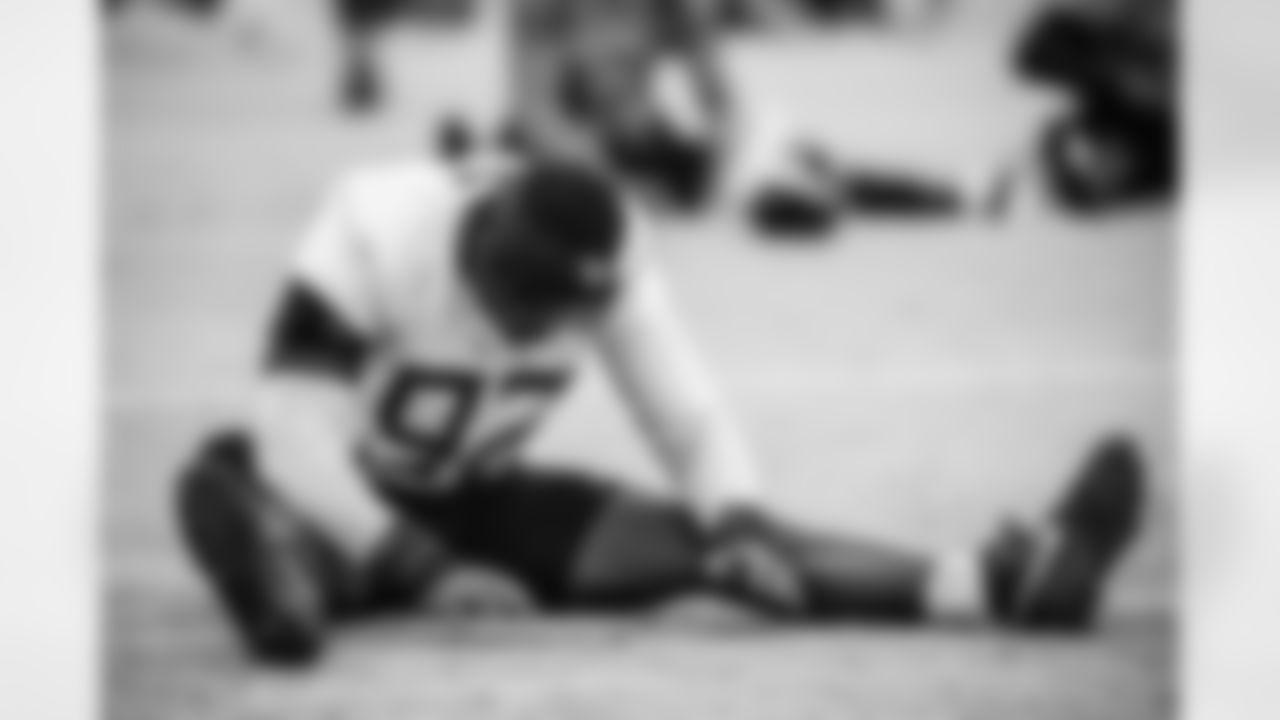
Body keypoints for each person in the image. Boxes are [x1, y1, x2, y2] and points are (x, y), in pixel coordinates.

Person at [176, 157, 1146, 667]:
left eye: (568, 314)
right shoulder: (373, 228)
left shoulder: (609, 258)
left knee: (720, 543)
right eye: (533, 311)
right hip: (347, 495)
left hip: (482, 501)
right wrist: (421, 569)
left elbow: (684, 418)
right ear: (480, 259)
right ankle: (282, 587)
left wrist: (735, 520)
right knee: (242, 485)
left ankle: (996, 584)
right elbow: (295, 437)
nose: (545, 332)